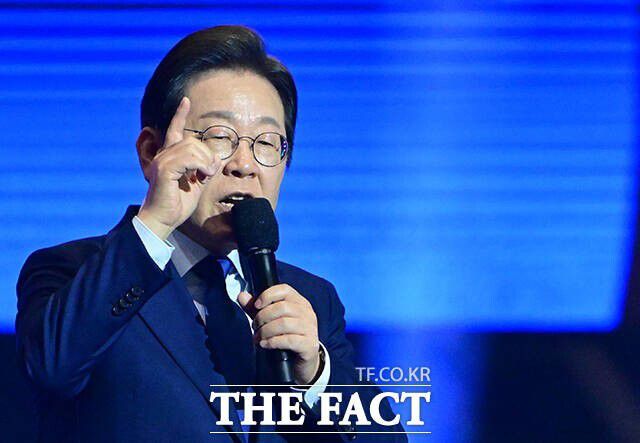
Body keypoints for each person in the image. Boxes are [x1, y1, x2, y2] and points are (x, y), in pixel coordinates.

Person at [15, 25, 406, 443]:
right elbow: (53, 368)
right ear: (151, 151)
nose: (245, 165)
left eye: (267, 143)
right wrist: (156, 220)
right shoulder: (71, 272)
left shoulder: (311, 298)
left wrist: (314, 376)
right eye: (220, 137)